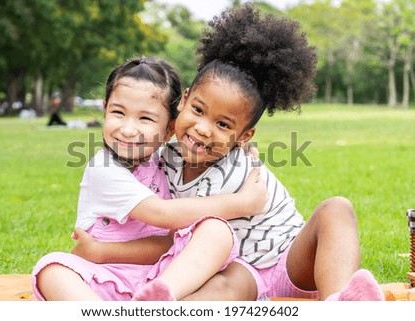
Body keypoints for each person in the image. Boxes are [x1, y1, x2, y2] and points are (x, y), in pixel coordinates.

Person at [75, 3, 384, 301]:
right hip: (242, 270)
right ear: (182, 102)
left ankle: (340, 300)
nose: (203, 129)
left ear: (243, 136)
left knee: (337, 208)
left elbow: (173, 218)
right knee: (223, 287)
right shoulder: (162, 159)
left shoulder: (239, 167)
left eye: (223, 124)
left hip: (291, 258)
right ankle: (162, 303)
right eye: (197, 109)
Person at [31, 56, 267, 301]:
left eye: (145, 119)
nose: (128, 129)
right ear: (104, 108)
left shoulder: (171, 163)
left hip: (169, 277)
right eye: (118, 113)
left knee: (217, 230)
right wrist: (243, 203)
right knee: (52, 269)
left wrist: (241, 150)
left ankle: (158, 300)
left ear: (169, 129)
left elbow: (170, 242)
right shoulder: (103, 168)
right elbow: (161, 213)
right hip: (105, 276)